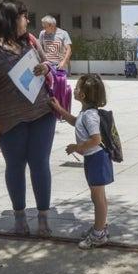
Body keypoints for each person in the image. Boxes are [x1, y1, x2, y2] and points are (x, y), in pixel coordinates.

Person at [0, 0, 56, 237]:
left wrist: (46, 68)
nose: (27, 21)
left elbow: (47, 63)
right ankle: (20, 219)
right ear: (10, 19)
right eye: (24, 16)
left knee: (40, 164)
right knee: (16, 166)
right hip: (8, 119)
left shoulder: (28, 41)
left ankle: (43, 218)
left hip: (42, 112)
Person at [52, 75, 114, 248]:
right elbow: (76, 122)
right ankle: (100, 227)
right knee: (98, 197)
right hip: (93, 158)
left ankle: (99, 234)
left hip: (97, 158)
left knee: (98, 198)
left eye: (77, 87)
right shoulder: (85, 113)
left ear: (84, 95)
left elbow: (96, 139)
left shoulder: (90, 116)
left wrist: (77, 147)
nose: (75, 89)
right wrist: (60, 109)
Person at [38, 15, 73, 113]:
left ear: (51, 25)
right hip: (47, 66)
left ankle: (61, 111)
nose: (43, 28)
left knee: (60, 89)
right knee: (47, 89)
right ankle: (48, 110)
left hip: (59, 66)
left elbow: (69, 50)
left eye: (45, 26)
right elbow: (39, 49)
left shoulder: (63, 34)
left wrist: (63, 62)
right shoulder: (42, 34)